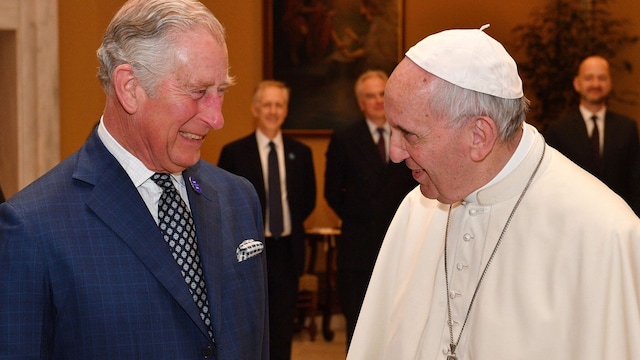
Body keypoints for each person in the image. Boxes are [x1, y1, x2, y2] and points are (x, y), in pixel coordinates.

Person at [347, 25, 640, 360]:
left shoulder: (604, 233)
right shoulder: (417, 209)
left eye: (409, 134)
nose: (395, 152)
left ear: (479, 135)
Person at [0, 0, 269, 358]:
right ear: (129, 88)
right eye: (197, 92)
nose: (217, 117)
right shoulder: (32, 228)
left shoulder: (238, 197)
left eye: (221, 91)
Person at [218, 80, 316, 360]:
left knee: (283, 328)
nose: (274, 111)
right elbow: (225, 206)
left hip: (287, 251)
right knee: (250, 326)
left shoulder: (302, 153)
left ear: (286, 110)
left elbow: (306, 201)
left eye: (279, 105)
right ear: (255, 109)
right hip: (249, 252)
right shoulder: (234, 153)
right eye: (268, 104)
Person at [324, 69, 416, 350]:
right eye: (370, 96)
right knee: (359, 326)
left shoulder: (409, 134)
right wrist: (361, 216)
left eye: (381, 94)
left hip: (402, 245)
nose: (377, 101)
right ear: (360, 103)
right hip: (358, 250)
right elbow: (332, 192)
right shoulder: (344, 138)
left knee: (398, 325)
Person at [545, 55, 640, 215]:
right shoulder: (558, 130)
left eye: (601, 78)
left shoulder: (627, 128)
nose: (595, 84)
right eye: (589, 78)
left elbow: (636, 181)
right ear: (577, 83)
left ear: (609, 83)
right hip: (575, 219)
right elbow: (553, 183)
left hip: (619, 220)